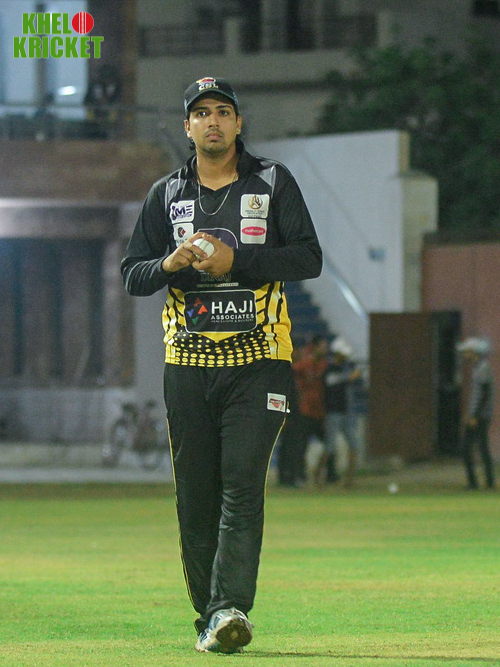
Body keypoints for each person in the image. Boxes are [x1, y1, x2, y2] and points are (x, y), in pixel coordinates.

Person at [121, 76, 322, 653]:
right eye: (202, 113)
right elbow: (133, 274)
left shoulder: (273, 181)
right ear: (187, 126)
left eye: (224, 112)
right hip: (187, 363)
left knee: (241, 485)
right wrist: (169, 265)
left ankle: (231, 607)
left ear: (238, 123)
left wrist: (240, 260)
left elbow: (308, 258)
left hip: (260, 360)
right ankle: (211, 614)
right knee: (196, 497)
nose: (213, 121)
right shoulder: (166, 194)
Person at [316, 337, 362, 487]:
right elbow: (331, 382)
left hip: (345, 412)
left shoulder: (342, 370)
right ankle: (317, 478)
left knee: (354, 446)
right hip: (333, 413)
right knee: (330, 447)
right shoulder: (330, 370)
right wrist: (349, 377)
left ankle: (349, 481)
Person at [456, 337, 496, 490]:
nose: (464, 355)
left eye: (467, 352)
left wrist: (474, 416)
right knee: (482, 447)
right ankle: (488, 481)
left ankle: (475, 482)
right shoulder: (479, 368)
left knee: (467, 448)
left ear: (474, 353)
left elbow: (484, 395)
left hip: (480, 416)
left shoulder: (482, 369)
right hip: (480, 415)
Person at [292, 335, 329, 484]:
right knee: (301, 445)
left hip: (319, 410)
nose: (325, 349)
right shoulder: (305, 363)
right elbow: (293, 369)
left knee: (328, 442)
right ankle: (299, 476)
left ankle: (328, 475)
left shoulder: (324, 364)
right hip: (305, 410)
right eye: (322, 346)